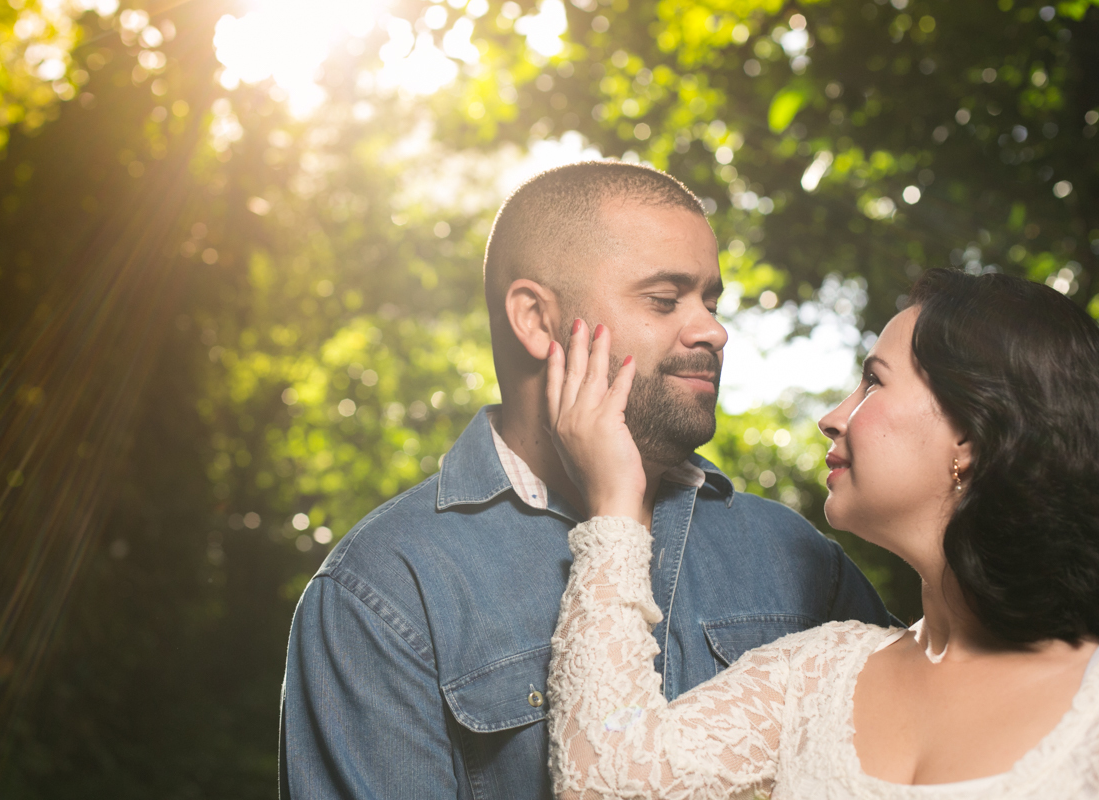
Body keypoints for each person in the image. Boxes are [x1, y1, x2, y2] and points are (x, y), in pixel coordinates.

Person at [279, 161, 891, 799]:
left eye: (711, 300)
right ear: (537, 321)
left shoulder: (794, 552)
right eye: (664, 299)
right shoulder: (386, 589)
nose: (714, 330)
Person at [545, 268, 1099, 799]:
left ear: (970, 436)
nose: (832, 417)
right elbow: (602, 780)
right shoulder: (816, 675)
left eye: (872, 382)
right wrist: (615, 504)